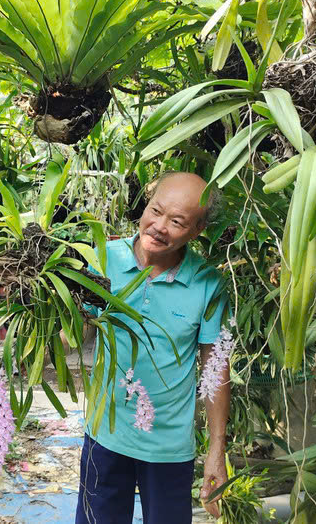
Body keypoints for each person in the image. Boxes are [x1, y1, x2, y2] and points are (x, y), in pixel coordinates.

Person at [75, 172, 231, 524]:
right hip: (105, 436)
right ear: (146, 204)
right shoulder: (101, 259)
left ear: (197, 230)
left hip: (169, 448)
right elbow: (74, 331)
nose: (159, 227)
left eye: (176, 222)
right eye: (156, 211)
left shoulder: (208, 282)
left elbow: (216, 368)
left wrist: (216, 450)